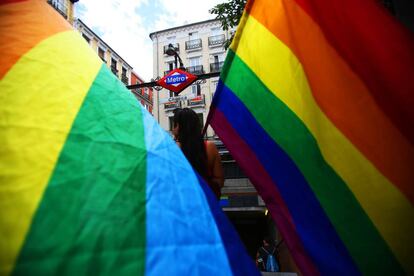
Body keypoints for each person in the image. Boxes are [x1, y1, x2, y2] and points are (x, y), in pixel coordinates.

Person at [172, 108, 224, 198]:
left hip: (183, 203)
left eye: (174, 125)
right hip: (206, 203)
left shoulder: (172, 149)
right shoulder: (210, 147)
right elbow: (220, 181)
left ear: (178, 127)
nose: (172, 129)